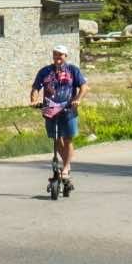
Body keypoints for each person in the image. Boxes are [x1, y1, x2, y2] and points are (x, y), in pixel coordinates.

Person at [31, 44, 86, 191]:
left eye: (60, 55)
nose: (57, 58)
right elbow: (36, 87)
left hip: (68, 109)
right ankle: (62, 165)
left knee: (67, 139)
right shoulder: (45, 71)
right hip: (50, 109)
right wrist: (34, 100)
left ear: (65, 56)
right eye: (55, 54)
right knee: (56, 138)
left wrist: (78, 98)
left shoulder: (73, 70)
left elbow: (84, 87)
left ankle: (66, 167)